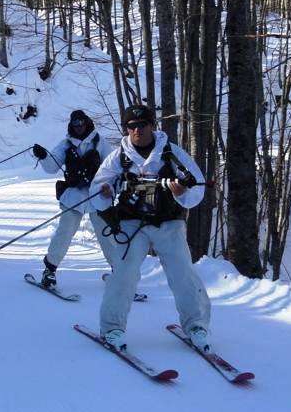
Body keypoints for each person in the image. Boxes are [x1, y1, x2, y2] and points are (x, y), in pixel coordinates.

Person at [90, 104, 211, 352]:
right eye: (131, 126)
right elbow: (97, 189)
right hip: (131, 225)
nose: (137, 130)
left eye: (142, 125)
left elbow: (197, 186)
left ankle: (196, 326)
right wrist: (106, 193)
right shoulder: (118, 157)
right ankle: (112, 328)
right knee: (123, 274)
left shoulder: (171, 153)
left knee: (183, 274)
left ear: (152, 125)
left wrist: (181, 192)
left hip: (168, 222)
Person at [31, 109, 118, 288]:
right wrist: (43, 156)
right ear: (72, 125)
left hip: (97, 196)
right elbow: (52, 166)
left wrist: (110, 187)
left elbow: (112, 166)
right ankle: (49, 271)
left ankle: (120, 272)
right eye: (75, 124)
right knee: (64, 233)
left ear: (86, 122)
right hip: (74, 196)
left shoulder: (98, 141)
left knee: (107, 235)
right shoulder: (66, 144)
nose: (79, 127)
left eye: (81, 123)